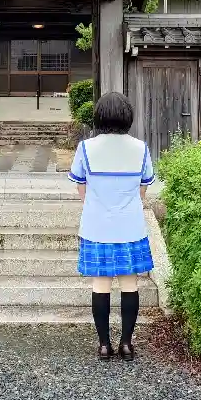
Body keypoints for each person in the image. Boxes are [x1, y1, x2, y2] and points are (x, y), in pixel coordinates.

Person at [68, 91, 155, 361]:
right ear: (128, 116)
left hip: (96, 227)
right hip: (130, 227)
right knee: (130, 283)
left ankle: (104, 345)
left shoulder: (86, 148)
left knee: (100, 284)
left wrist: (98, 205)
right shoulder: (140, 148)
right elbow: (143, 189)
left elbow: (81, 187)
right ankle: (126, 344)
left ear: (99, 116)